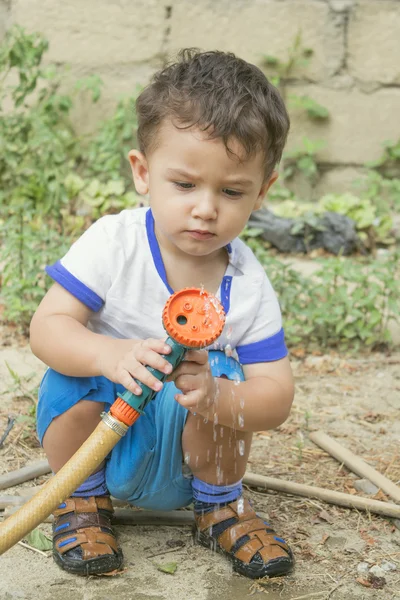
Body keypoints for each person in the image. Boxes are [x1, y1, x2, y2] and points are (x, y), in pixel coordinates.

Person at [30, 49, 295, 579]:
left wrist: (221, 398)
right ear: (143, 172)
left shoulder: (245, 282)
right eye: (184, 184)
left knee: (225, 373)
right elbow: (46, 328)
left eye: (232, 190)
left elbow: (277, 395)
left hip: (185, 456)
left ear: (262, 192)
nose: (205, 208)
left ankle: (219, 505)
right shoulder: (113, 243)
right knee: (69, 375)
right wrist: (109, 353)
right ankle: (81, 500)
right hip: (103, 440)